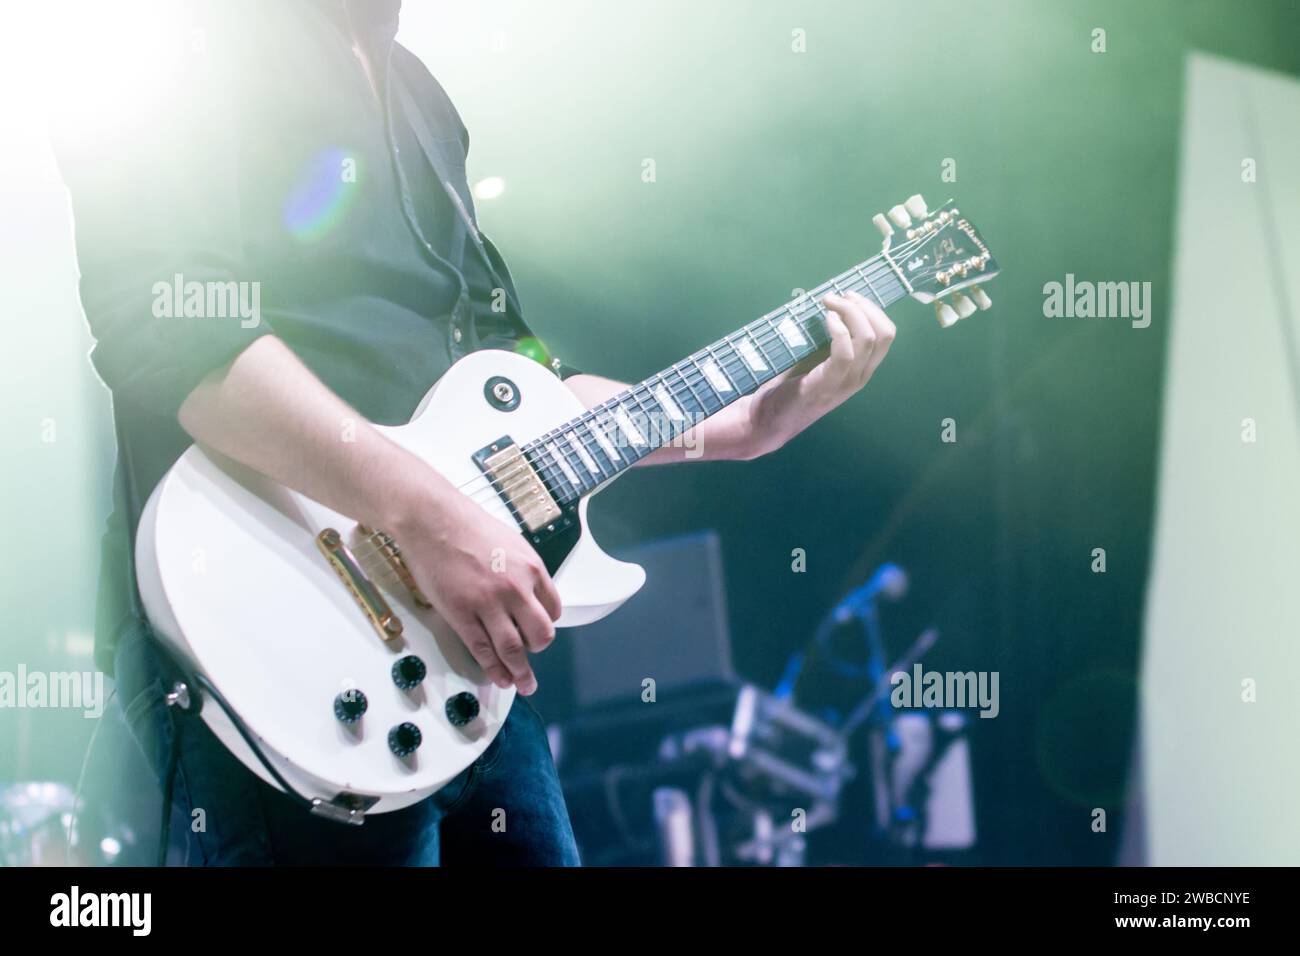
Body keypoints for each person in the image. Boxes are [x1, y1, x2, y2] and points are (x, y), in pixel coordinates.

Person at [53, 0, 895, 865]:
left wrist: (750, 424)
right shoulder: (174, 40)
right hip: (272, 649)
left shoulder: (421, 96)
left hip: (456, 669)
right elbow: (167, 331)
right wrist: (430, 519)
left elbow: (523, 379)